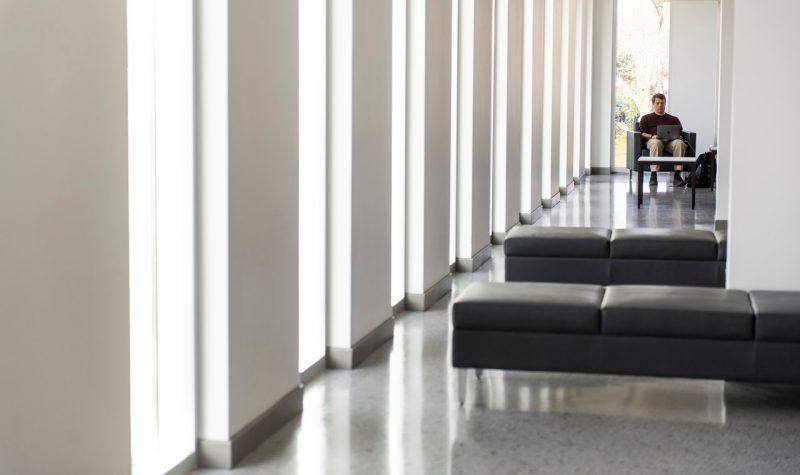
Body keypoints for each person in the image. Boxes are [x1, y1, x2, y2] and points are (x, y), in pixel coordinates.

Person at [638, 93, 688, 187]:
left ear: (665, 104)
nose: (660, 105)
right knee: (657, 142)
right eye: (657, 103)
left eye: (662, 103)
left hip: (670, 142)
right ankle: (653, 175)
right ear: (653, 104)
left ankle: (677, 176)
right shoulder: (646, 118)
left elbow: (680, 133)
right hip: (653, 140)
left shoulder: (673, 119)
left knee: (679, 143)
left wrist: (679, 137)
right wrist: (652, 136)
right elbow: (641, 133)